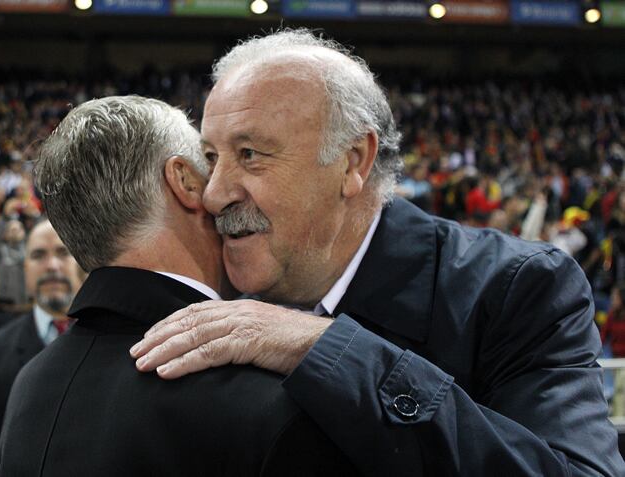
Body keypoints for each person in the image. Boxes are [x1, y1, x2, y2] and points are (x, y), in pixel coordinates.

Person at [131, 29, 625, 476]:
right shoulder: (201, 292)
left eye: (250, 155)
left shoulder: (515, 288)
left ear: (353, 162)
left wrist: (329, 350)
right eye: (211, 158)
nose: (215, 194)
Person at [0, 96, 357, 477]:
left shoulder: (29, 384)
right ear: (184, 180)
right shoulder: (266, 397)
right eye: (210, 161)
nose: (223, 185)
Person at [0, 219, 82, 477]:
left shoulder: (120, 343)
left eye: (63, 252)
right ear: (25, 270)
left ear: (83, 264)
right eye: (38, 255)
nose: (52, 265)